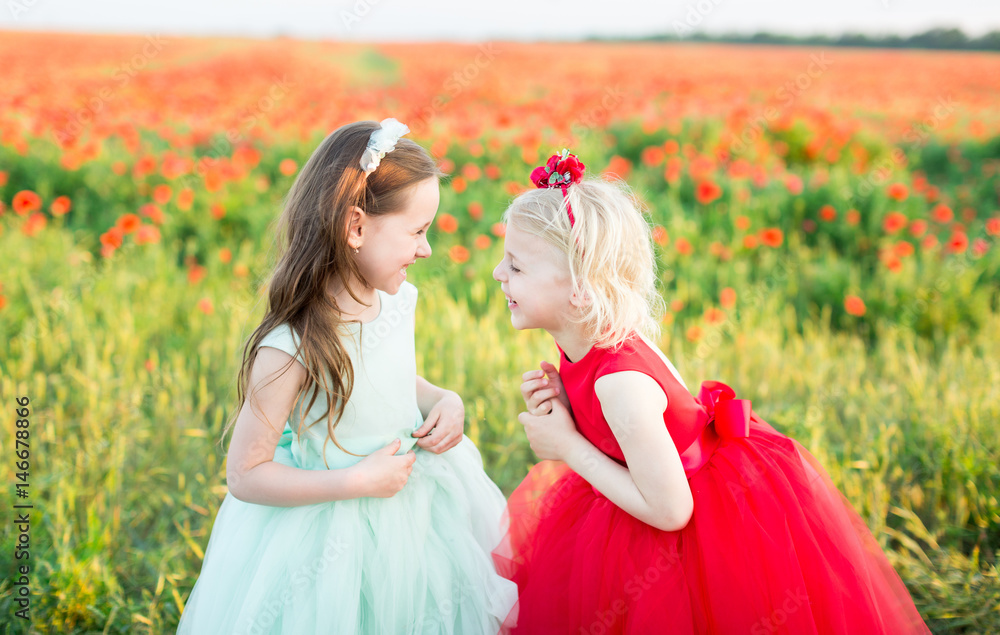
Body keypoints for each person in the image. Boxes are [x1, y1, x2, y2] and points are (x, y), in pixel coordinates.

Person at [490, 150, 929, 634]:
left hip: (703, 524)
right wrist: (571, 406)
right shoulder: (585, 345)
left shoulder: (621, 383)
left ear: (580, 289)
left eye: (515, 265)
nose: (498, 274)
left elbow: (672, 512)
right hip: (650, 492)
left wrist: (567, 446)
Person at [177, 119, 516, 634]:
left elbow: (393, 381)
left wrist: (442, 399)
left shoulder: (400, 302)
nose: (426, 249)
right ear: (355, 227)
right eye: (418, 231)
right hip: (329, 528)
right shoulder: (291, 346)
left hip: (417, 511)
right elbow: (245, 474)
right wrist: (355, 482)